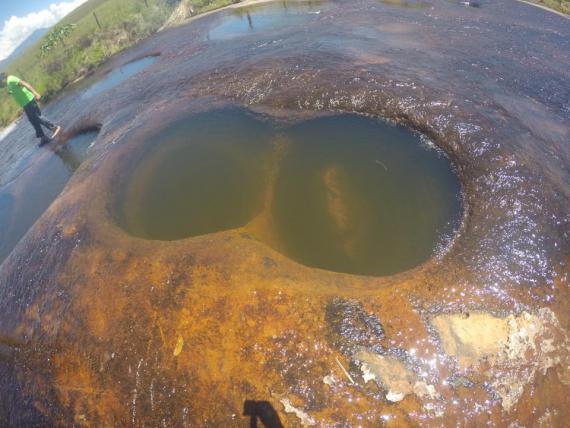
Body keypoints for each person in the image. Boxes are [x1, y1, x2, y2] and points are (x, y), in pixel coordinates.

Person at [0, 72, 61, 145]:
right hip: (25, 104)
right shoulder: (8, 84)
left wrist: (35, 93)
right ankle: (43, 137)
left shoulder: (11, 79)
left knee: (38, 117)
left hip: (29, 100)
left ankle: (55, 128)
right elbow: (16, 90)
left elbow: (25, 84)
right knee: (33, 121)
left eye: (0, 83)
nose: (1, 85)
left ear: (2, 79)